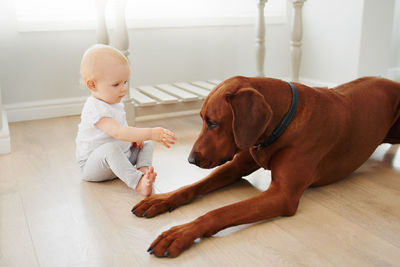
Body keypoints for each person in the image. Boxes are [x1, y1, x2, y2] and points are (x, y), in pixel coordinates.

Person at [76, 44, 176, 196]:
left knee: (146, 143)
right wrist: (150, 132)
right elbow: (118, 132)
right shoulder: (95, 108)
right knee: (111, 148)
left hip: (122, 158)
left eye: (125, 82)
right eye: (116, 84)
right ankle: (137, 182)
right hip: (94, 167)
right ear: (92, 85)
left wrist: (134, 141)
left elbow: (123, 127)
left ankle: (143, 171)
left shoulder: (114, 101)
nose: (124, 88)